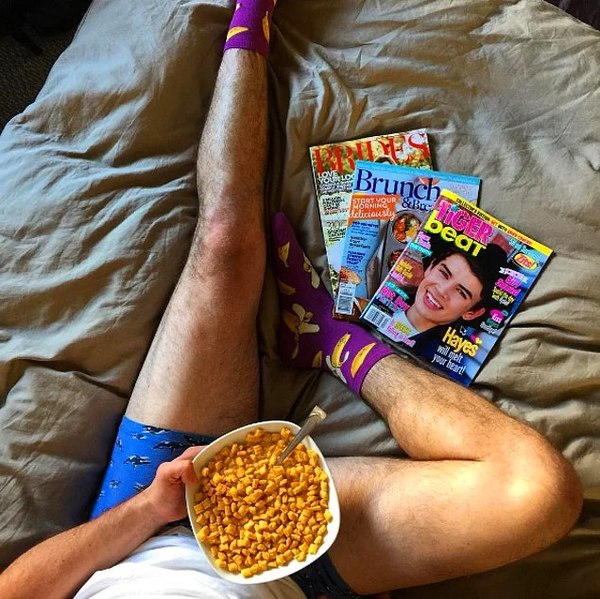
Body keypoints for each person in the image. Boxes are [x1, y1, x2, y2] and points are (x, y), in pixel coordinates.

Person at [0, 1, 583, 598]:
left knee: (225, 239)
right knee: (540, 494)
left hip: (149, 519)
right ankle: (334, 340)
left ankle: (249, 18)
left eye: (459, 288)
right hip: (300, 576)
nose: (441, 290)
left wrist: (147, 509)